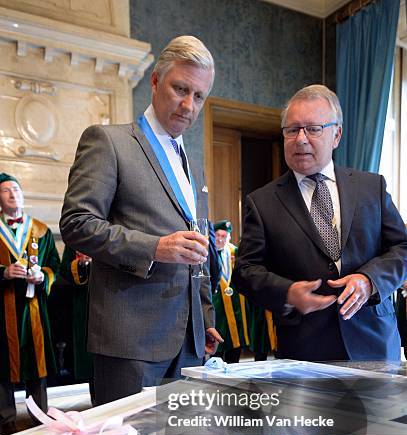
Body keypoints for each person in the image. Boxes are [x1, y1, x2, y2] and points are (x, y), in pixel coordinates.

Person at [60, 36, 222, 405]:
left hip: (190, 341)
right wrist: (154, 247)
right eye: (180, 88)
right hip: (129, 340)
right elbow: (76, 222)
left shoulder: (193, 168)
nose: (188, 105)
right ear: (154, 80)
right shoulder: (108, 141)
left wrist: (204, 317)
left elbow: (198, 251)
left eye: (199, 96)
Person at [233, 85, 407, 361]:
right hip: (305, 351)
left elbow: (402, 248)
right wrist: (287, 293)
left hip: (374, 344)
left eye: (313, 129)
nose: (301, 139)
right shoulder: (262, 202)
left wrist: (369, 281)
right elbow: (245, 271)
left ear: (336, 134)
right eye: (292, 130)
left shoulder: (371, 186)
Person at [0, 173, 60, 435]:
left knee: (38, 361)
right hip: (3, 308)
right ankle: (5, 418)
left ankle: (39, 413)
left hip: (34, 306)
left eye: (16, 189)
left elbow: (55, 267)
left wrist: (42, 275)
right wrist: (3, 272)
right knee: (2, 361)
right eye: (5, 190)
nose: (13, 194)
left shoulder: (41, 230)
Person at [59, 246, 95, 403]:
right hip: (86, 303)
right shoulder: (78, 234)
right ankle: (96, 405)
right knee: (91, 362)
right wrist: (81, 265)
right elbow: (64, 269)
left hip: (117, 300)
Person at [213, 220, 249, 363]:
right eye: (217, 235)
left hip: (235, 306)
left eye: (224, 236)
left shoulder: (235, 252)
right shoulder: (208, 252)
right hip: (217, 305)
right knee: (218, 342)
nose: (221, 239)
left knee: (235, 340)